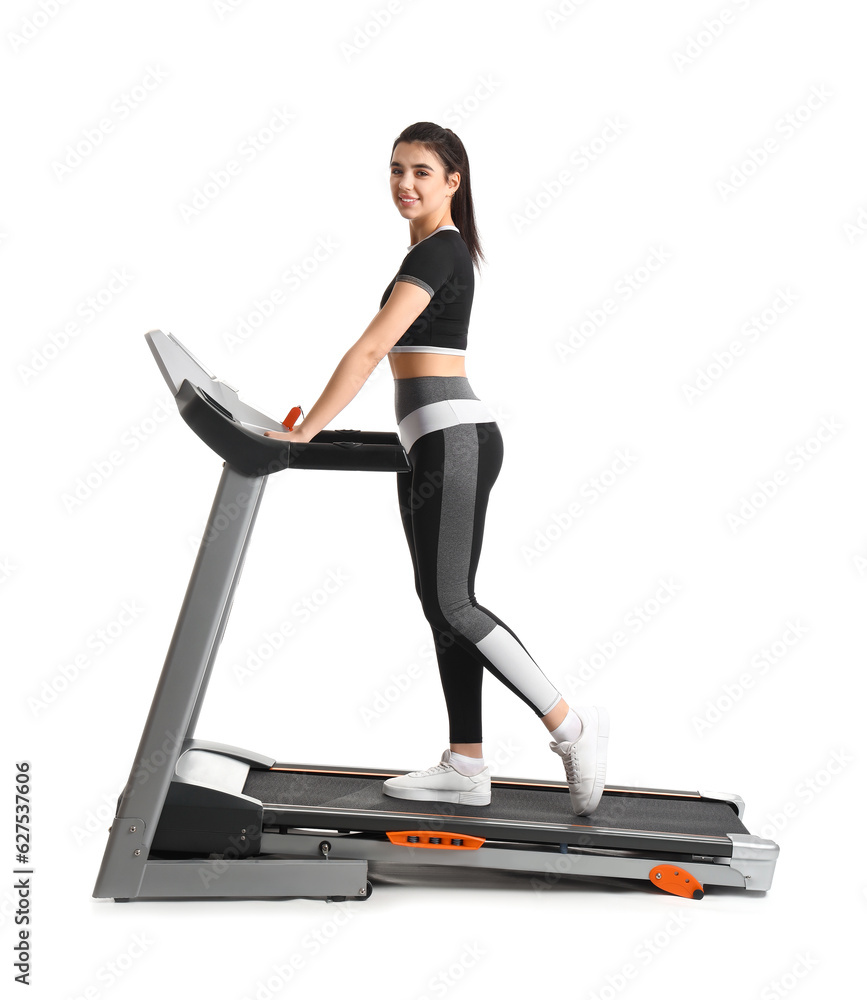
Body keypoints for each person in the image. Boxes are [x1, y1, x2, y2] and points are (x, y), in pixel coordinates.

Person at [265, 122, 609, 815]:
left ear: (453, 182)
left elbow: (368, 352)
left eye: (422, 171)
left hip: (453, 441)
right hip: (431, 443)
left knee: (454, 602)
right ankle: (465, 764)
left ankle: (569, 726)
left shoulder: (441, 252)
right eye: (395, 169)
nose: (404, 184)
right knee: (441, 604)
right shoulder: (428, 251)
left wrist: (308, 430)